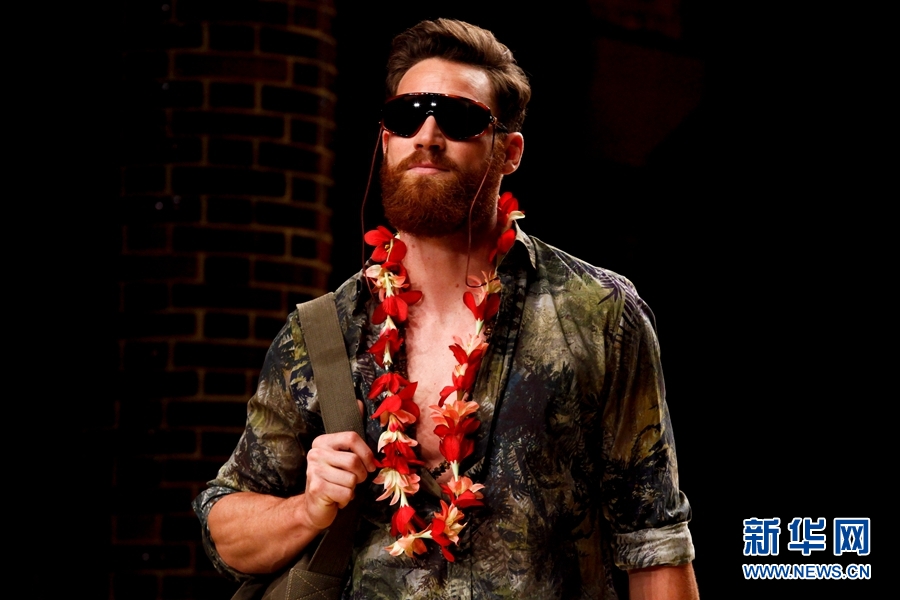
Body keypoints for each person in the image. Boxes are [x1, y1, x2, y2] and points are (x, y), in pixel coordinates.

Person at [194, 18, 698, 600]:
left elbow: (654, 543)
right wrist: (308, 509)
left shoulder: (599, 314)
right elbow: (225, 531)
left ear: (509, 152)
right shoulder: (322, 332)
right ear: (386, 140)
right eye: (407, 115)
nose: (428, 135)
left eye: (459, 119)